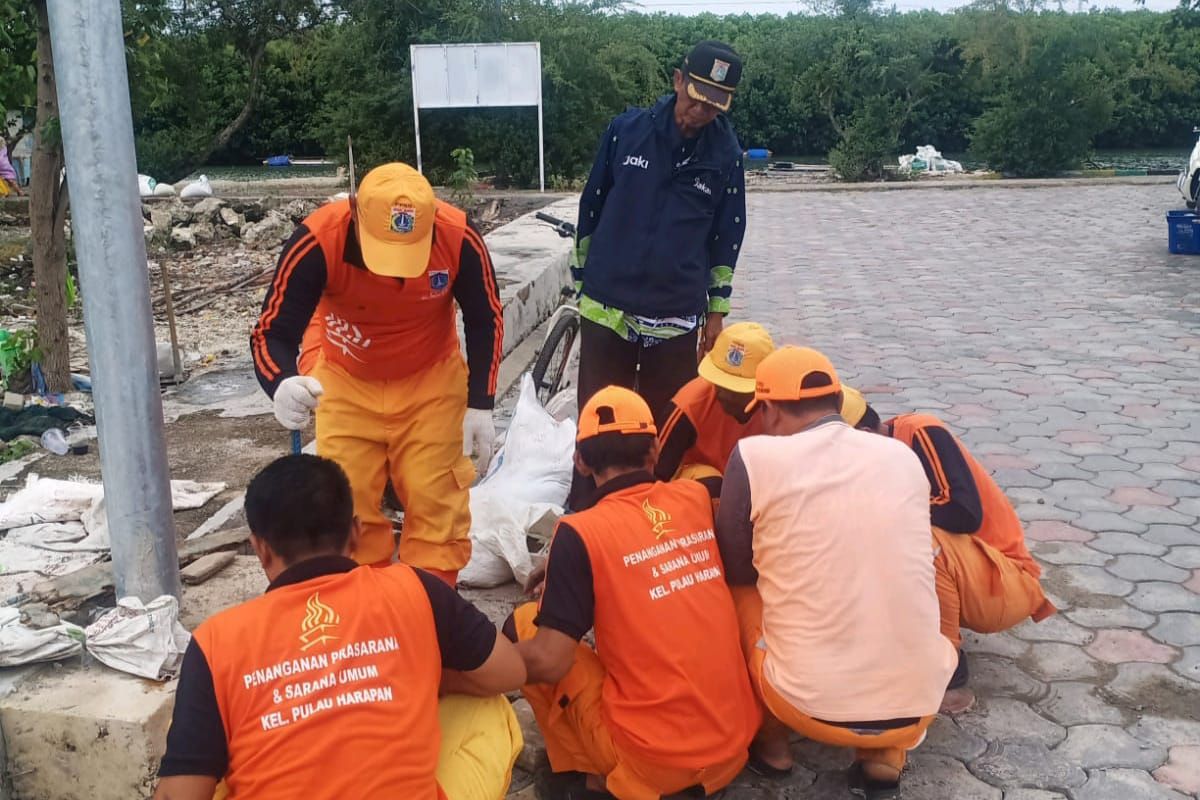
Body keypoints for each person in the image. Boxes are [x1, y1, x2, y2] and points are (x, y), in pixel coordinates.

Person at [154, 455, 525, 800]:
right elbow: (511, 671)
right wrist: (426, 677)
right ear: (356, 533)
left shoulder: (216, 642)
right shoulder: (413, 590)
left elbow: (180, 793)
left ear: (260, 549)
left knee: (213, 768)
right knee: (488, 710)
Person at [716, 347, 956, 795]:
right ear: (835, 401)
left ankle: (773, 748)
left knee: (739, 591)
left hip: (805, 704)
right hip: (921, 701)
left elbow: (736, 563)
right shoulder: (900, 456)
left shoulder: (753, 456)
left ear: (767, 411)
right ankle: (883, 759)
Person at [251, 163, 503, 584]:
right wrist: (280, 384)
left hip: (431, 381)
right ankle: (364, 604)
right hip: (345, 382)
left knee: (436, 499)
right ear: (356, 215)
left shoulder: (459, 237)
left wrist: (481, 403)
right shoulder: (318, 240)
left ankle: (432, 612)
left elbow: (485, 319)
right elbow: (272, 332)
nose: (397, 271)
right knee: (345, 504)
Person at [508, 386, 760, 799]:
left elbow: (550, 661)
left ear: (581, 462)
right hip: (732, 749)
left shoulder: (579, 532)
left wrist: (477, 665)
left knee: (525, 626)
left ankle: (589, 775)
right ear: (656, 450)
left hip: (655, 766)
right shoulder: (695, 497)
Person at [571, 40, 747, 424]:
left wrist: (716, 312)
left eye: (714, 104)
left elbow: (728, 236)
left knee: (664, 427)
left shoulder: (726, 156)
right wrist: (582, 278)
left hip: (675, 314)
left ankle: (660, 487)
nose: (701, 111)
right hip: (607, 307)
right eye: (696, 98)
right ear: (678, 80)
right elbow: (592, 205)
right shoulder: (626, 131)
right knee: (600, 421)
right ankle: (592, 486)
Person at [840, 390, 1055, 701]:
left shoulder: (920, 432)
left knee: (918, 537)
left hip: (1004, 583)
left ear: (864, 436)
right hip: (967, 579)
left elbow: (964, 513)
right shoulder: (869, 464)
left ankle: (945, 659)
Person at [654, 321, 774, 488]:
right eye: (719, 382)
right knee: (711, 483)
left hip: (757, 485)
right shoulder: (687, 407)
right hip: (699, 492)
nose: (723, 393)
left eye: (735, 388)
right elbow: (656, 473)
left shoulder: (782, 408)